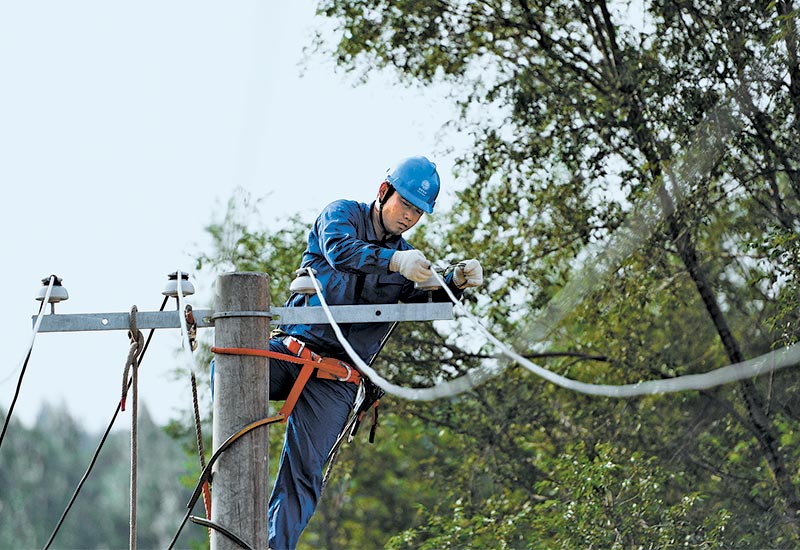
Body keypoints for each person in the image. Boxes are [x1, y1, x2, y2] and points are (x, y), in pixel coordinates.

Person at [266, 155, 484, 549]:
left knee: (303, 476)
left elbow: (420, 302)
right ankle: (229, 481)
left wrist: (453, 281)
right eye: (406, 205)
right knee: (230, 366)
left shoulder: (408, 260)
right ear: (384, 192)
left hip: (337, 377)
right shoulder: (342, 216)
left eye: (419, 212)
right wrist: (395, 261)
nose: (409, 218)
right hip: (292, 351)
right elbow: (340, 252)